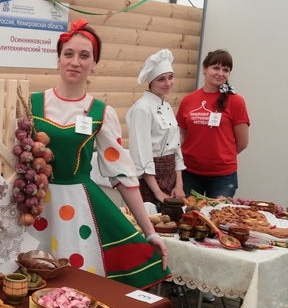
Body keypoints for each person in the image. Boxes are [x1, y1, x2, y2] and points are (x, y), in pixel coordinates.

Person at [26, 19, 169, 289]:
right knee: (27, 274)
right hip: (35, 206)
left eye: (84, 55)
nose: (75, 61)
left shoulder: (101, 112)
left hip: (78, 210)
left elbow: (124, 175)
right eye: (68, 54)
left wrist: (149, 233)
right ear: (58, 60)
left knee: (71, 283)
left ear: (94, 64)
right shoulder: (30, 104)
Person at [175, 49, 250, 198]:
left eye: (225, 70)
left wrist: (220, 158)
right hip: (190, 173)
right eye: (216, 68)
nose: (220, 73)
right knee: (188, 217)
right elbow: (186, 136)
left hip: (222, 177)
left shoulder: (236, 101)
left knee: (218, 218)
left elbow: (242, 142)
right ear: (204, 68)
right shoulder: (188, 100)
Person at [126, 49, 185, 206]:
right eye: (161, 79)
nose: (168, 83)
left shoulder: (166, 106)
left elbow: (176, 148)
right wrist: (157, 192)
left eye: (171, 77)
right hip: (150, 180)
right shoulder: (142, 108)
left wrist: (179, 185)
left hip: (171, 176)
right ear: (151, 82)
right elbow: (141, 153)